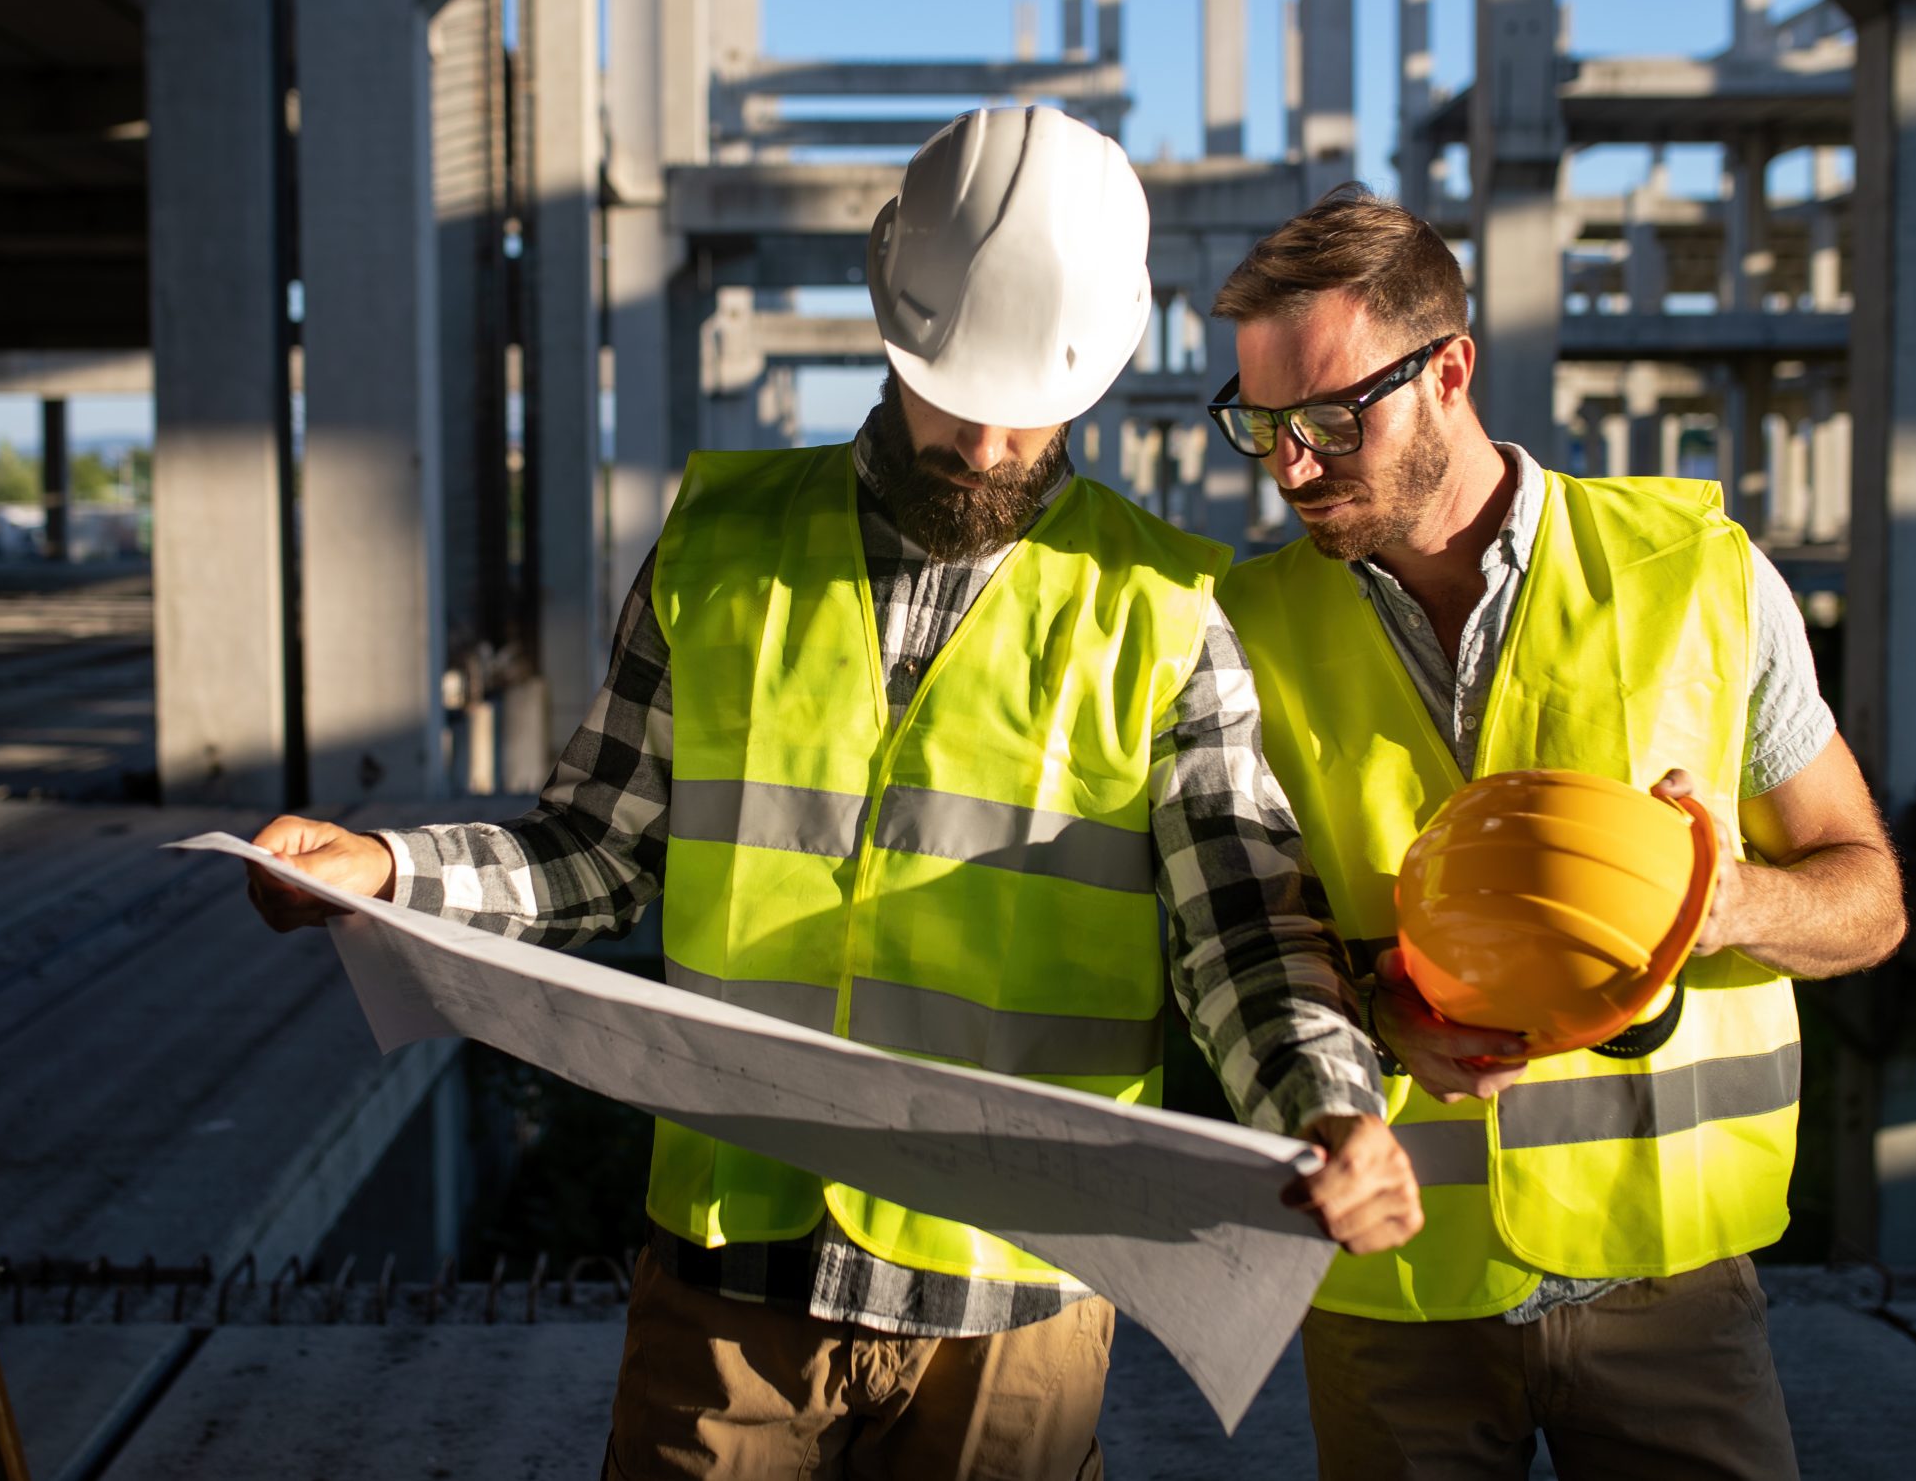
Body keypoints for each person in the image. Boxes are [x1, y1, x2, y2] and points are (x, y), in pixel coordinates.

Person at [243, 109, 1420, 1479]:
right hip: (734, 1280)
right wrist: (387, 875)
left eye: (1026, 405)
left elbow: (1243, 929)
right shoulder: (719, 544)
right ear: (890, 323)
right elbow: (596, 852)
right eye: (954, 389)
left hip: (1016, 1298)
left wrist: (1331, 1107)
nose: (986, 443)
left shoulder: (1163, 611)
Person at [1208, 184, 1906, 1480]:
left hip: (1667, 1282)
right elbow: (1229, 940)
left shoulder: (1696, 573)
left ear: (1450, 371)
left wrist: (1725, 900)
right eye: (1260, 427)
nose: (1292, 464)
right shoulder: (1237, 629)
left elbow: (1868, 897)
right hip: (1394, 1289)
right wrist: (1382, 1013)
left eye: (1324, 418)